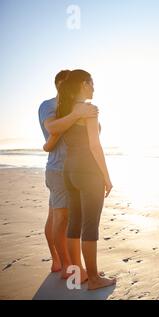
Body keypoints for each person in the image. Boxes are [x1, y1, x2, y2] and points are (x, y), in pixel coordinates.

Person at [52, 69, 116, 290]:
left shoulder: (64, 109)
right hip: (88, 170)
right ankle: (95, 279)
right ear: (83, 84)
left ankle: (78, 274)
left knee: (75, 223)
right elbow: (94, 145)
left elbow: (54, 132)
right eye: (91, 83)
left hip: (69, 169)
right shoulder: (88, 109)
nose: (94, 87)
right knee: (90, 226)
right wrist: (106, 177)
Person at [38, 70, 98, 279]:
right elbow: (53, 130)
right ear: (59, 84)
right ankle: (67, 266)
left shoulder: (72, 106)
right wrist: (76, 115)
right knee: (62, 218)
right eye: (66, 84)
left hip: (70, 168)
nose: (69, 88)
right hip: (58, 168)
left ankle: (64, 263)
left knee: (58, 216)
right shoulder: (50, 106)